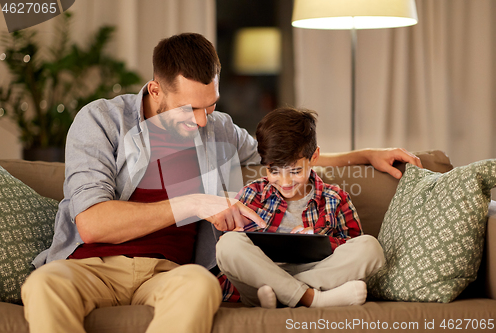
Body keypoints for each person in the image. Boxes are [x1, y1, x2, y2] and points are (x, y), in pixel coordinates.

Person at [21, 33, 422, 333]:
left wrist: (365, 155)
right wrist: (195, 203)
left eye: (210, 106)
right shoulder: (101, 122)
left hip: (169, 272)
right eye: (189, 109)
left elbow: (284, 159)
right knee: (43, 286)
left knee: (202, 286)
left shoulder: (219, 130)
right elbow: (91, 221)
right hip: (91, 267)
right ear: (156, 90)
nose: (201, 121)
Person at [216, 107, 386, 309]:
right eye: (274, 171)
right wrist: (238, 233)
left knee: (370, 247)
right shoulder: (252, 193)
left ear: (314, 157)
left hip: (300, 278)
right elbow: (236, 252)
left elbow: (352, 246)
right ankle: (313, 299)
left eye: (295, 171)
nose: (285, 181)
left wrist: (317, 240)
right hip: (260, 278)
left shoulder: (335, 198)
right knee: (227, 244)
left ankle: (285, 295)